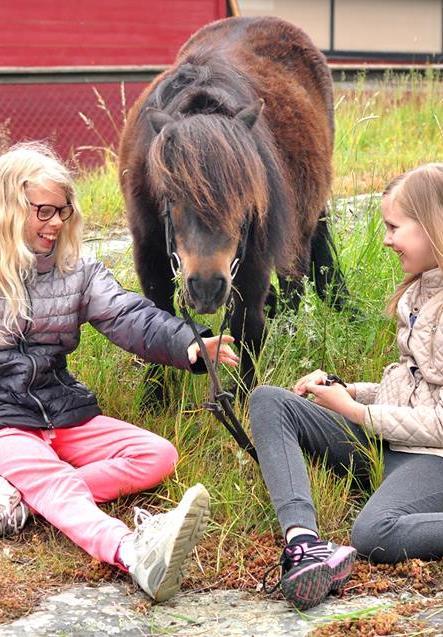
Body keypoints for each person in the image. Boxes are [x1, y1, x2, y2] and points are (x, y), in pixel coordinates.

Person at [0, 141, 239, 603]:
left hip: (59, 409)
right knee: (55, 480)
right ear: (10, 206)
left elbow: (129, 316)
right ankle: (135, 553)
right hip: (5, 422)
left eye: (63, 212)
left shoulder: (78, 271)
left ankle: (28, 500)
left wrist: (187, 344)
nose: (56, 223)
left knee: (157, 455)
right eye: (44, 211)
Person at [250, 163, 443, 610]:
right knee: (271, 402)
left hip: (431, 460)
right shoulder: (417, 293)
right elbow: (415, 387)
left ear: (433, 224)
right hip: (388, 443)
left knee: (374, 533)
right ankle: (304, 544)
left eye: (395, 227)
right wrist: (350, 392)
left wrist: (356, 413)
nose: (387, 239)